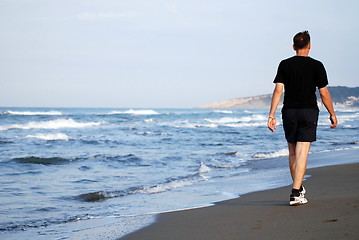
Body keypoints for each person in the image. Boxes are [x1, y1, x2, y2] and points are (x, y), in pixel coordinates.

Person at [268, 31, 338, 206]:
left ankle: (298, 188)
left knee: (292, 152)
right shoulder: (317, 65)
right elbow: (324, 93)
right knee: (302, 153)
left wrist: (271, 115)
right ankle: (295, 193)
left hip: (289, 112)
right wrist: (332, 113)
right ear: (309, 45)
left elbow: (278, 90)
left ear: (293, 47)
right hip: (308, 112)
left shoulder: (284, 64)